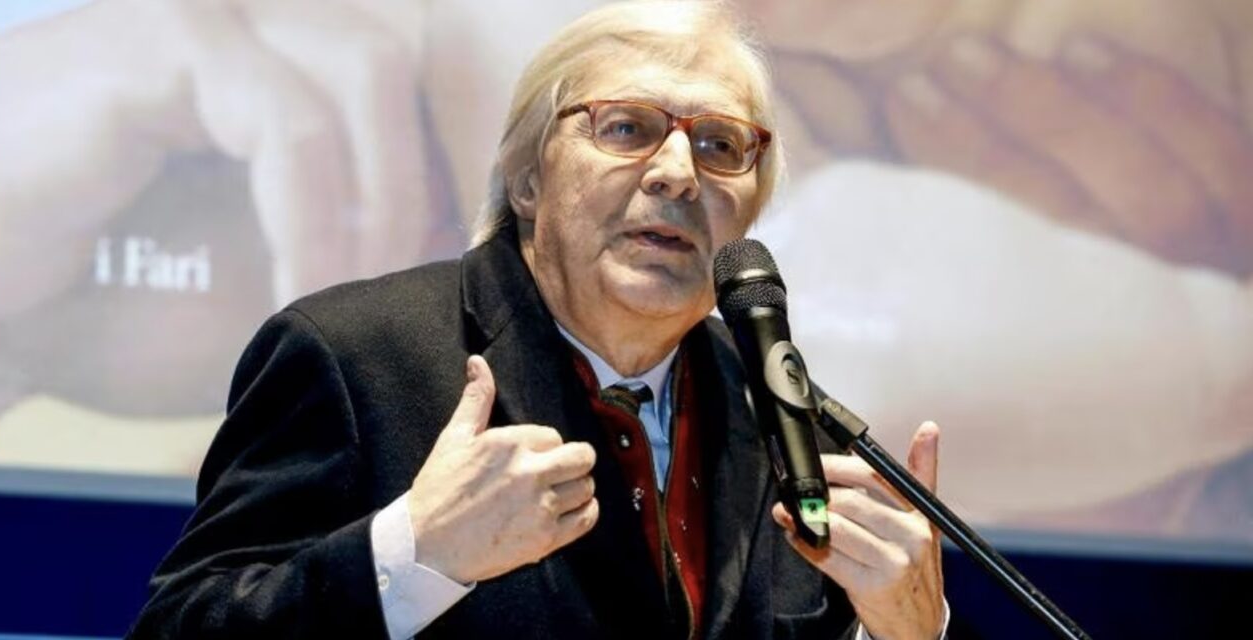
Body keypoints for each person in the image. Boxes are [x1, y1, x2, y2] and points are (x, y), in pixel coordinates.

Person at [129, 2, 946, 638]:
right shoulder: (352, 359)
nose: (677, 173)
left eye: (720, 147)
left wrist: (908, 631)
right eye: (626, 128)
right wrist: (415, 553)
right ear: (527, 182)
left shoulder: (795, 432)